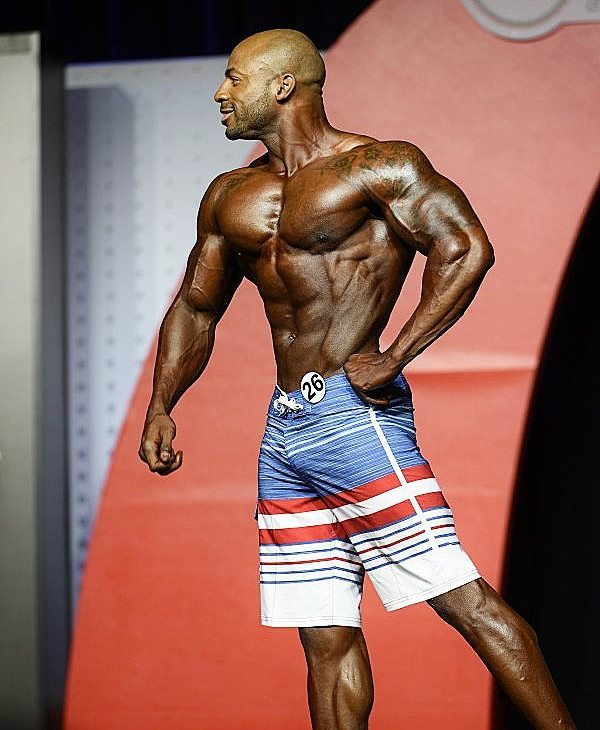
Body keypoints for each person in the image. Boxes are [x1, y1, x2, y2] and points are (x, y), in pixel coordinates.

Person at [139, 28, 575, 730]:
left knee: (464, 601)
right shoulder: (229, 193)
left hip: (355, 416)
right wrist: (162, 404)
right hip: (284, 432)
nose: (221, 94)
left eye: (233, 79)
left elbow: (465, 248)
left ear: (283, 86)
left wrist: (398, 353)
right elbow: (196, 304)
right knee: (324, 633)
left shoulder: (379, 166)